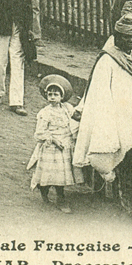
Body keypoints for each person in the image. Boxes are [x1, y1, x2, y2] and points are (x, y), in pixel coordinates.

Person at [73, 9, 132, 225]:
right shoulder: (108, 61)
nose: (130, 42)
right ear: (116, 37)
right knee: (127, 162)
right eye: (126, 38)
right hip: (122, 119)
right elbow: (100, 98)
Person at [27, 75, 83, 213]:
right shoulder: (45, 113)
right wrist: (54, 140)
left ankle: (59, 196)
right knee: (50, 171)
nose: (52, 97)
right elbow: (40, 132)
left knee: (61, 174)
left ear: (61, 96)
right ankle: (49, 193)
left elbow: (77, 116)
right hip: (51, 147)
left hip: (65, 145)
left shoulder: (67, 108)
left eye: (56, 94)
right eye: (50, 94)